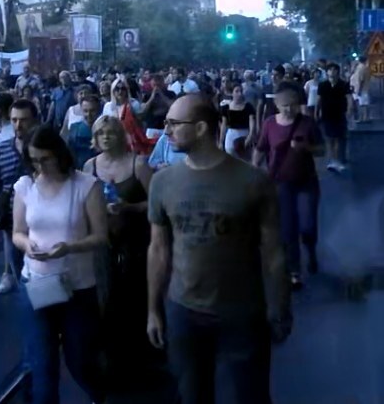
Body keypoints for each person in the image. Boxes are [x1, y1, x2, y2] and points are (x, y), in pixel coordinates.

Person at [147, 94, 291, 404]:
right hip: (184, 310)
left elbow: (273, 252)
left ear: (200, 128)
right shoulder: (162, 182)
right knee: (192, 395)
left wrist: (279, 307)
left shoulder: (253, 181)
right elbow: (158, 250)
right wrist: (153, 310)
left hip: (242, 311)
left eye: (173, 123)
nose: (166, 130)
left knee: (249, 395)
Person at [11, 127, 108, 404]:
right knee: (42, 365)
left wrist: (69, 247)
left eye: (45, 159)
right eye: (34, 160)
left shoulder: (85, 185)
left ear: (58, 154)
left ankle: (97, 392)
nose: (40, 166)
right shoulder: (25, 186)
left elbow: (100, 236)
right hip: (38, 283)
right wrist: (27, 245)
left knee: (81, 359)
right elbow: (18, 232)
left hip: (77, 286)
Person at [83, 116, 155, 387]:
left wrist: (130, 207)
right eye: (100, 133)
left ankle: (140, 361)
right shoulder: (89, 166)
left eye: (110, 132)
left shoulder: (139, 164)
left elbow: (156, 203)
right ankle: (111, 362)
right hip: (103, 243)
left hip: (135, 242)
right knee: (105, 298)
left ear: (120, 135)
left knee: (134, 297)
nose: (105, 137)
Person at [253, 82, 323, 289]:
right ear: (276, 104)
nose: (288, 109)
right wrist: (254, 170)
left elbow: (322, 150)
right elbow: (260, 148)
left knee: (307, 225)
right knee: (288, 229)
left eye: (292, 104)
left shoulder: (308, 123)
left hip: (306, 182)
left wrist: (306, 148)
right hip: (280, 183)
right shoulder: (269, 124)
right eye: (284, 105)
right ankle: (294, 271)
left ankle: (310, 249)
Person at [0, 99, 38, 295]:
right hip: (12, 222)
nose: (18, 125)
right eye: (14, 120)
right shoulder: (2, 150)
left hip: (42, 222)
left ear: (35, 120)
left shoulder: (46, 149)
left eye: (24, 120)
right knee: (19, 272)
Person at [316, 62, 353, 172]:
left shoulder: (343, 84)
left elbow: (349, 98)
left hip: (339, 114)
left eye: (334, 70)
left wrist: (349, 110)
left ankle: (338, 160)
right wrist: (316, 112)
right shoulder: (323, 85)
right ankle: (332, 160)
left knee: (338, 138)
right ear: (327, 72)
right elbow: (319, 99)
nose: (332, 72)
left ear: (338, 71)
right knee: (329, 139)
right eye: (330, 70)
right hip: (327, 115)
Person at [219, 83, 256, 158]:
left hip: (244, 134)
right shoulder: (226, 107)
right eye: (237, 91)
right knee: (230, 155)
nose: (239, 94)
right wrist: (221, 141)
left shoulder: (248, 106)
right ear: (232, 93)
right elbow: (224, 125)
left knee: (244, 157)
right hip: (231, 134)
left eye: (241, 91)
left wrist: (250, 136)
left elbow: (252, 122)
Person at [350, 55, 371, 122]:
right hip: (360, 89)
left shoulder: (361, 68)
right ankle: (364, 118)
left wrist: (359, 90)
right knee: (363, 104)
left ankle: (363, 118)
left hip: (361, 89)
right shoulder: (362, 68)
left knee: (363, 104)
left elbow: (361, 80)